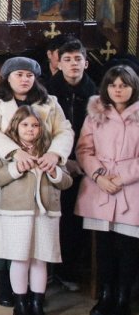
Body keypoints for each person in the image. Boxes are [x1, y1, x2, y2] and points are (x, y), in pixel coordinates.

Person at [0, 57, 74, 309]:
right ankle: (6, 285)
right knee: (5, 231)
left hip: (40, 172)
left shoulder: (49, 102)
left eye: (29, 75)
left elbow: (64, 130)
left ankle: (34, 292)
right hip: (3, 168)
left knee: (37, 234)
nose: (24, 79)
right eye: (19, 74)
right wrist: (13, 152)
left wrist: (56, 154)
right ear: (7, 77)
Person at [0, 106, 71, 315]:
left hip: (46, 213)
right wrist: (14, 169)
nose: (30, 129)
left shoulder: (49, 149)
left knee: (40, 259)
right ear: (16, 126)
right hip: (16, 213)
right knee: (20, 258)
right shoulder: (5, 151)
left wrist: (54, 172)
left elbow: (66, 182)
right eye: (25, 125)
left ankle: (37, 304)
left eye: (34, 125)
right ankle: (20, 305)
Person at [75, 64, 139, 315]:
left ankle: (123, 298)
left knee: (127, 247)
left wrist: (122, 178)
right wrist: (100, 176)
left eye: (123, 85)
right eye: (113, 85)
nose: (118, 89)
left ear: (133, 87)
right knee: (103, 247)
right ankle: (105, 294)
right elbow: (83, 150)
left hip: (132, 188)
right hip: (99, 186)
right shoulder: (95, 113)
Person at [46, 39, 96, 289]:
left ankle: (69, 270)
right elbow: (44, 131)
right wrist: (65, 159)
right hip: (55, 162)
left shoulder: (97, 94)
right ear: (58, 63)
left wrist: (83, 163)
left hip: (87, 166)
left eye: (78, 59)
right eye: (67, 59)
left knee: (75, 221)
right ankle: (46, 269)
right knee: (52, 216)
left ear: (86, 63)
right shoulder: (47, 92)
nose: (73, 64)